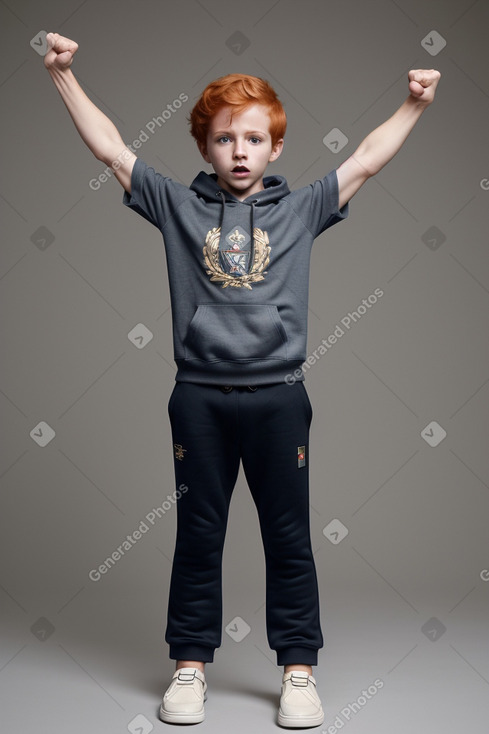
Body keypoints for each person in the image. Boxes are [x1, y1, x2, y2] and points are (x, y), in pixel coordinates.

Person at [43, 32, 440, 728]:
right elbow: (109, 147)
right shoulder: (175, 206)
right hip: (197, 400)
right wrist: (63, 75)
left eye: (253, 139)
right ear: (206, 147)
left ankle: (297, 672)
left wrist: (414, 104)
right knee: (199, 532)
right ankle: (189, 667)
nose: (239, 151)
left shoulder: (301, 208)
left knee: (288, 535)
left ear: (274, 148)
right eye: (225, 139)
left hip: (280, 400)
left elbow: (366, 162)